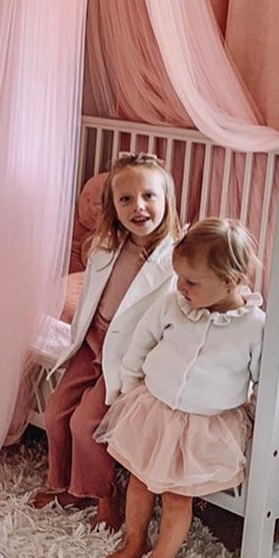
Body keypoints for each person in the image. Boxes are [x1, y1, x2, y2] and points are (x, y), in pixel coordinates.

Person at [103, 218, 265, 558]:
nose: (181, 287)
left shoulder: (254, 326)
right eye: (179, 277)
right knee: (140, 481)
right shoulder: (172, 305)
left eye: (191, 282)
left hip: (202, 425)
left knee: (178, 496)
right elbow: (141, 342)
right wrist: (129, 384)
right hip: (155, 409)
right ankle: (134, 542)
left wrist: (253, 414)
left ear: (229, 281)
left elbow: (261, 376)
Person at [34, 153, 179, 529]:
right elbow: (91, 296)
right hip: (93, 340)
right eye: (126, 199)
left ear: (166, 199)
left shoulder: (176, 258)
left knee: (87, 423)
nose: (139, 207)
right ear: (114, 207)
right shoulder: (107, 245)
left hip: (130, 352)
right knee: (56, 413)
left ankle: (104, 494)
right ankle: (67, 485)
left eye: (149, 196)